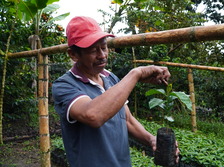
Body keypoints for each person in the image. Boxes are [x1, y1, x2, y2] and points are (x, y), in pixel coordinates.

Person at [52, 16, 179, 167]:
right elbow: (93, 115)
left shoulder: (111, 78)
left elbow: (126, 119)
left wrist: (150, 139)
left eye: (104, 47)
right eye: (93, 50)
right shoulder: (64, 85)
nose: (102, 55)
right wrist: (135, 74)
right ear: (73, 54)